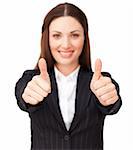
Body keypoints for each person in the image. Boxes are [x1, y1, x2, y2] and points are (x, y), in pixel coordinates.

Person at [15, 2, 122, 150]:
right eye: (57, 35)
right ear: (47, 38)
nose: (65, 44)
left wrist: (109, 100)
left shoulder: (99, 82)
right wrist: (29, 95)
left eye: (75, 35)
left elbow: (112, 101)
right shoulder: (32, 80)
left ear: (85, 38)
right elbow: (23, 94)